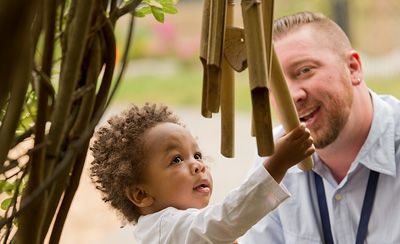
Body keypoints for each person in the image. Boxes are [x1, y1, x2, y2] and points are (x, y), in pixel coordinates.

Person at [239, 11, 400, 244]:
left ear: (353, 68)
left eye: (305, 71)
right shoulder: (275, 161)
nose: (293, 96)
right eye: (276, 85)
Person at [89, 103, 314, 243]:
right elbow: (227, 218)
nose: (198, 165)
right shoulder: (166, 230)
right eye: (176, 160)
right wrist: (277, 165)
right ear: (140, 194)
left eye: (196, 156)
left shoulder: (183, 227)